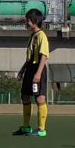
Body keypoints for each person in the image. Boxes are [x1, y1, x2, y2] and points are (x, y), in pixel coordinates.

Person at [13, 9, 49, 137]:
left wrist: (38, 74)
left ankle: (41, 130)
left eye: (27, 20)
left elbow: (44, 55)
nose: (26, 22)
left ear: (34, 21)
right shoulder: (32, 36)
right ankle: (26, 127)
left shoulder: (41, 35)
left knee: (39, 98)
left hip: (37, 69)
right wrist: (22, 70)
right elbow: (29, 57)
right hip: (30, 69)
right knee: (25, 96)